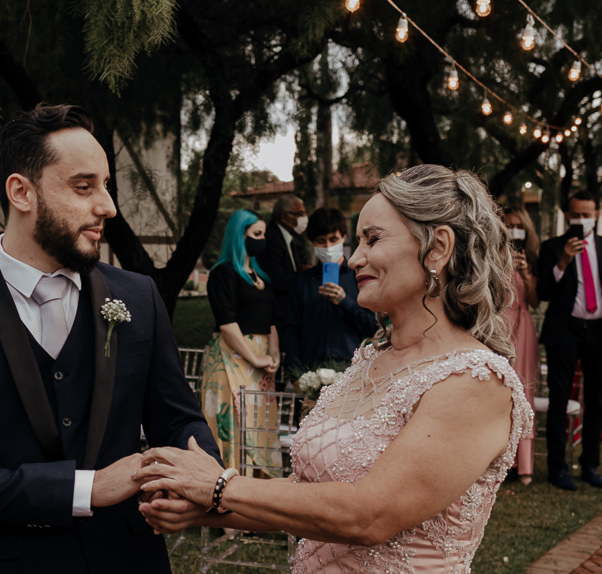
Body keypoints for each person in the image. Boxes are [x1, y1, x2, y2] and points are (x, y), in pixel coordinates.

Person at [136, 165, 534, 574]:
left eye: (372, 239)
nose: (353, 257)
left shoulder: (475, 380)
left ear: (437, 248)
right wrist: (200, 507)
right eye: (356, 241)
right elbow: (307, 496)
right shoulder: (370, 360)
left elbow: (369, 515)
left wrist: (221, 486)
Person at [0, 104, 219, 574]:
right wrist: (86, 488)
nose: (107, 206)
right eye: (84, 187)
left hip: (130, 560)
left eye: (106, 186)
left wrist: (198, 479)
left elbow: (179, 419)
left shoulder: (138, 296)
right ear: (21, 192)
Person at [537, 190, 602, 491]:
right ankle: (557, 468)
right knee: (559, 400)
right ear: (567, 215)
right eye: (576, 215)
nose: (582, 220)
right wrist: (563, 261)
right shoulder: (552, 247)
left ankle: (590, 465)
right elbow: (543, 294)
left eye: (587, 215)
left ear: (597, 215)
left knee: (595, 400)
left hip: (601, 332)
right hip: (566, 330)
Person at [202, 209, 280, 471]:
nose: (262, 239)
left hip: (260, 359)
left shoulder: (262, 277)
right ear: (239, 235)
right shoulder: (222, 273)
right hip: (231, 356)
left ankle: (257, 488)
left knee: (259, 424)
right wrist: (255, 357)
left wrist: (274, 354)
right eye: (256, 234)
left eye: (263, 234)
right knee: (232, 425)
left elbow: (271, 321)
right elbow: (227, 324)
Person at [281, 207, 378, 374]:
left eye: (333, 239)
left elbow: (374, 327)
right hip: (310, 372)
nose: (328, 246)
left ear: (343, 237)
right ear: (313, 242)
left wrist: (345, 302)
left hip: (351, 370)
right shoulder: (302, 281)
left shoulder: (360, 277)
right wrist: (294, 372)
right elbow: (291, 330)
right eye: (321, 241)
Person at [502, 206, 540, 485]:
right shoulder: (493, 255)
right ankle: (501, 461)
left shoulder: (532, 258)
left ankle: (524, 464)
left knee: (524, 390)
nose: (514, 230)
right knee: (500, 392)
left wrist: (526, 274)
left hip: (523, 327)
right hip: (500, 326)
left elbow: (537, 301)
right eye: (509, 225)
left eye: (519, 225)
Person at [257, 195, 309, 327]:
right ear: (285, 217)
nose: (304, 219)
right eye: (300, 214)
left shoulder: (288, 238)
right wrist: (304, 277)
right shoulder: (271, 238)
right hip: (277, 315)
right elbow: (277, 279)